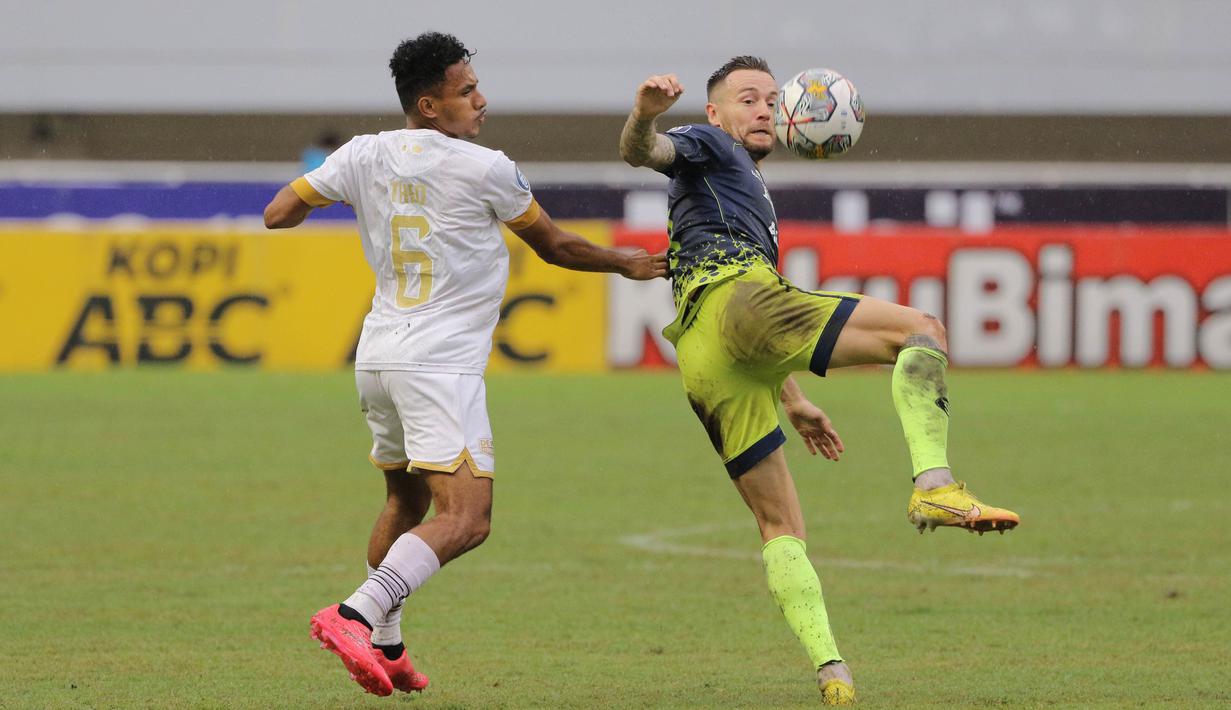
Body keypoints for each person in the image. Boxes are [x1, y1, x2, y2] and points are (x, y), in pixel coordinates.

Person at [264, 32, 667, 697]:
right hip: (439, 365)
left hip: (379, 356)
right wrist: (626, 262)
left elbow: (279, 214)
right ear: (428, 104)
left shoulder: (361, 153)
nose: (482, 99)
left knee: (407, 497)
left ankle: (388, 647)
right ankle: (354, 614)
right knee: (468, 519)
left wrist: (359, 196)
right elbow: (555, 246)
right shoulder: (486, 168)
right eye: (466, 90)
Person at [618, 56, 1020, 705]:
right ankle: (933, 485)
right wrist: (643, 114)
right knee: (921, 331)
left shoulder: (727, 185)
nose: (762, 109)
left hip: (702, 358)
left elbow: (735, 335)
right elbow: (643, 151)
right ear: (715, 112)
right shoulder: (709, 144)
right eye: (746, 98)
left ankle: (832, 673)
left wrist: (796, 399)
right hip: (742, 301)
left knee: (780, 525)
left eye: (770, 101)